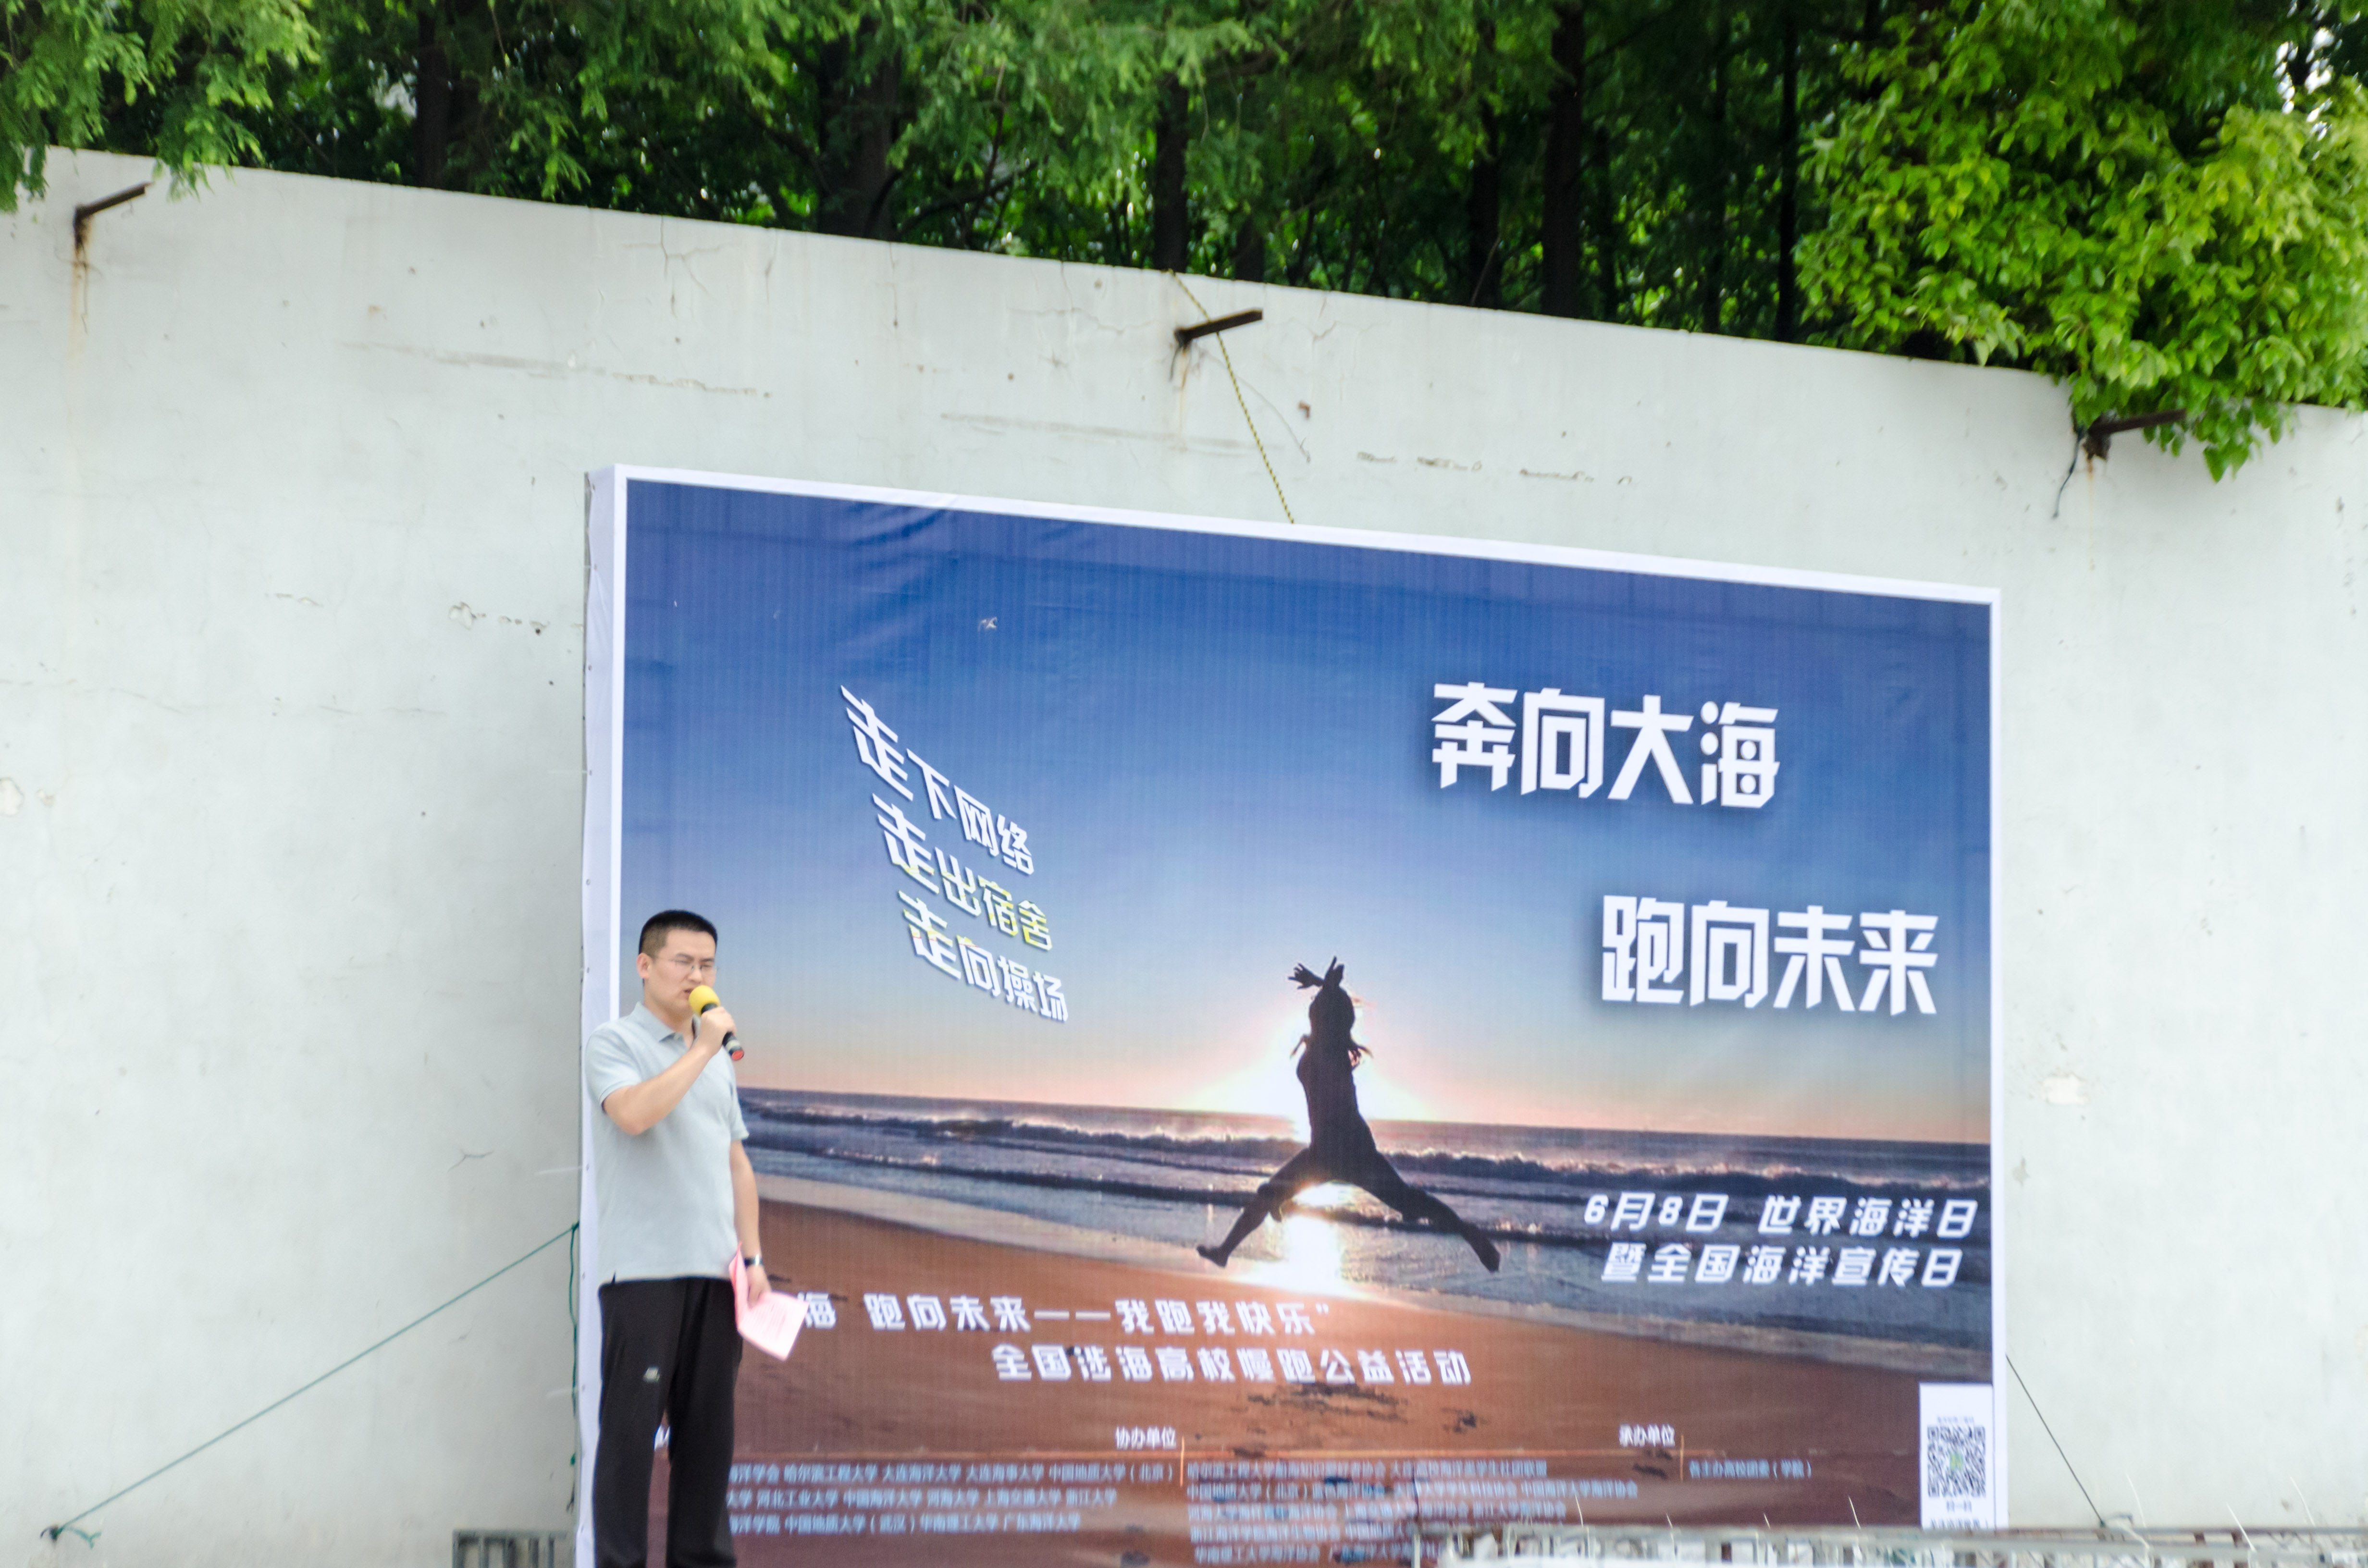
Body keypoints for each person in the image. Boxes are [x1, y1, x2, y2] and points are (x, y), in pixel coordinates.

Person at [586, 910, 771, 1568]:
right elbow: (633, 1115)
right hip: (644, 1275)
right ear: (645, 966)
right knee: (629, 1441)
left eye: (707, 965)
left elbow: (735, 1161)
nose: (698, 977)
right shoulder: (613, 1043)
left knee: (708, 1444)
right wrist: (699, 1051)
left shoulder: (717, 1061)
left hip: (716, 1275)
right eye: (683, 963)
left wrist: (753, 1257)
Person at [1197, 960, 1501, 1273]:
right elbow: (1332, 1011)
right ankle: (1225, 1251)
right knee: (1269, 1195)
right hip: (1326, 1151)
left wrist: (1327, 986)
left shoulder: (1331, 1050)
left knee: (1408, 1202)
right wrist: (1322, 984)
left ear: (1327, 1019)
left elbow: (1333, 1017)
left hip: (1351, 1151)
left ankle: (1470, 1234)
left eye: (1318, 1007)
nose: (1313, 1008)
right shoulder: (1321, 1044)